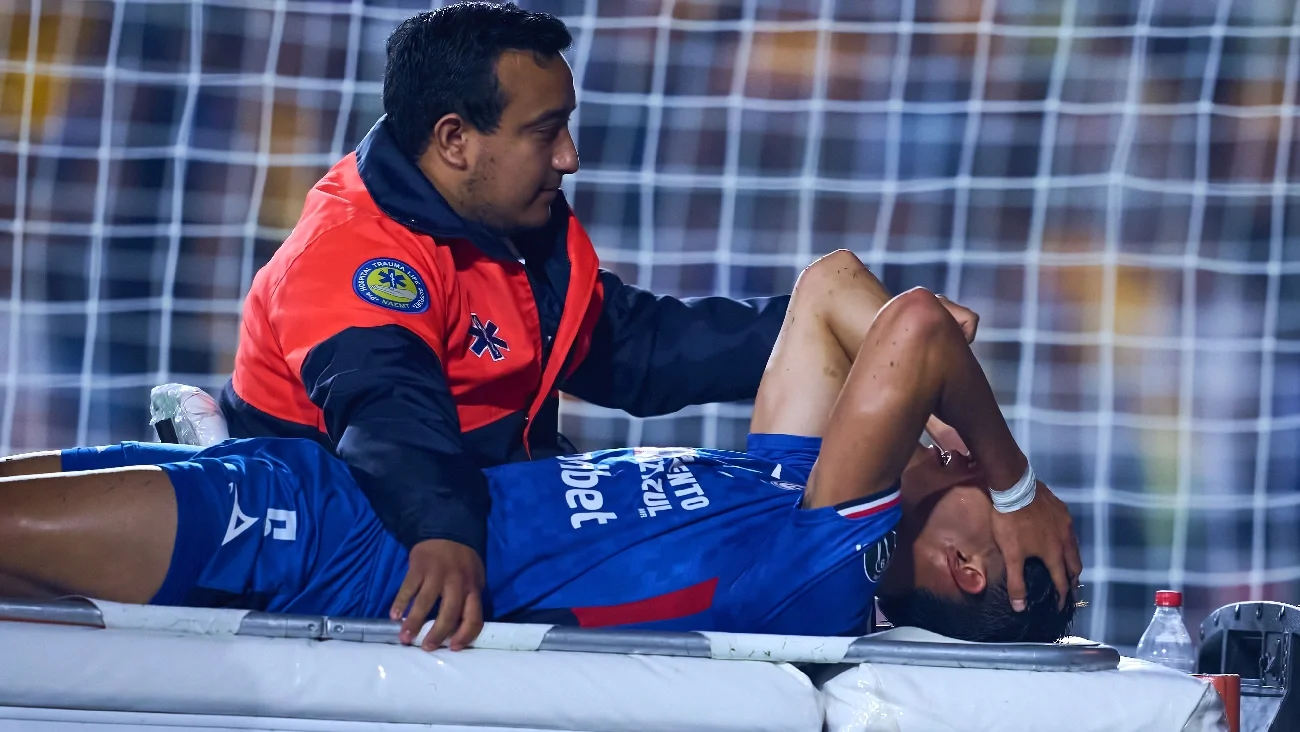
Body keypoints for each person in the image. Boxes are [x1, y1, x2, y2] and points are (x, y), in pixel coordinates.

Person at [0, 252, 1081, 646]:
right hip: (338, 484)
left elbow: (917, 331)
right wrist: (951, 418)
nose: (968, 468)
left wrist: (1017, 481)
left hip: (339, 557)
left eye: (986, 511)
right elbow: (833, 287)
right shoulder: (789, 488)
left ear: (965, 566)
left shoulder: (822, 574)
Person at [217, 1, 794, 650]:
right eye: (546, 132)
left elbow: (636, 349)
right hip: (366, 555)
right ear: (454, 139)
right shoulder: (354, 253)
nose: (569, 157)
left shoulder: (510, 231)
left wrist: (809, 332)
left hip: (493, 515)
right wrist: (443, 532)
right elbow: (388, 410)